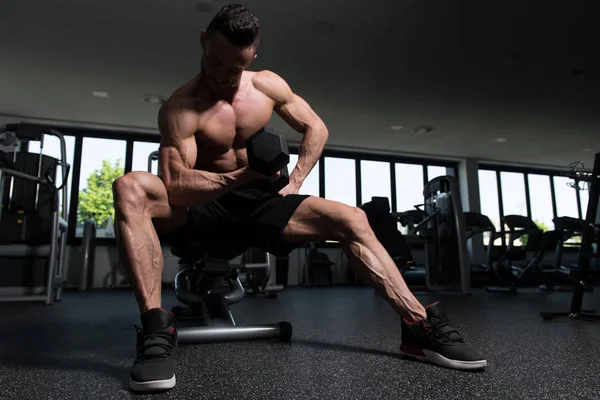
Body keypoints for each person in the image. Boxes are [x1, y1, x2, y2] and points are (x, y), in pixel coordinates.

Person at [112, 4, 486, 393]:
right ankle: (156, 331)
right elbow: (175, 186)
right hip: (202, 206)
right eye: (214, 61)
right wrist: (240, 175)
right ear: (204, 42)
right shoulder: (181, 106)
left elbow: (316, 128)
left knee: (353, 218)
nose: (221, 75)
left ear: (253, 57)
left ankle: (418, 327)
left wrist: (296, 180)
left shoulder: (267, 86)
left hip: (262, 201)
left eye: (234, 68)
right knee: (130, 187)